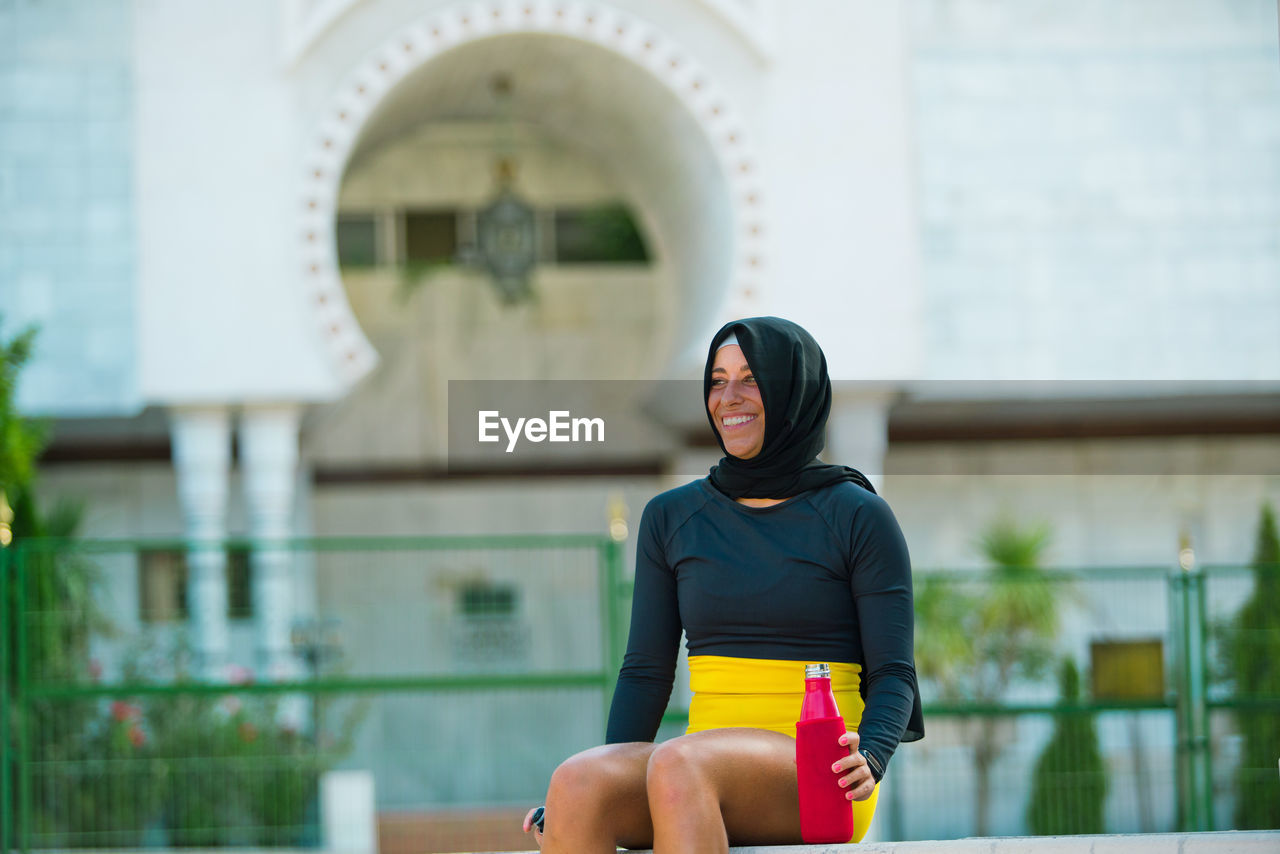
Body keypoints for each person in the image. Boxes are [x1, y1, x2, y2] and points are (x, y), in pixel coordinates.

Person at [522, 316, 924, 853]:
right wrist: (607, 778)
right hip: (690, 769)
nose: (728, 396)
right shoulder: (671, 516)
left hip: (820, 770)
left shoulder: (857, 515)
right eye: (717, 380)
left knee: (682, 763)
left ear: (792, 390)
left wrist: (872, 755)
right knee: (578, 783)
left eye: (750, 379)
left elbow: (894, 671)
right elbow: (645, 670)